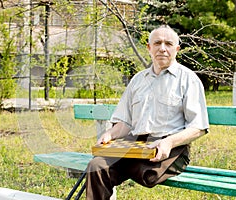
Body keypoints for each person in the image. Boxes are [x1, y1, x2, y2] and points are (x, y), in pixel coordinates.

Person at [85, 25, 210, 200]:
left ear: (177, 49)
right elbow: (125, 123)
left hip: (171, 147)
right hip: (135, 145)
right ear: (149, 48)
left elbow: (198, 127)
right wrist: (110, 134)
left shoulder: (188, 79)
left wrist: (168, 142)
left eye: (168, 43)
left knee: (149, 174)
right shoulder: (138, 80)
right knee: (96, 166)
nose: (163, 48)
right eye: (157, 43)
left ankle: (130, 164)